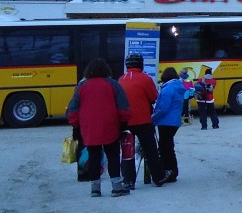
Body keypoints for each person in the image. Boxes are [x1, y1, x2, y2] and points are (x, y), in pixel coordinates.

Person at [66, 58, 131, 197]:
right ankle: (116, 187)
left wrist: (76, 126)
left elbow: (73, 109)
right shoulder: (113, 84)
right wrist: (123, 122)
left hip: (89, 127)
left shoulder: (82, 86)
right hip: (110, 125)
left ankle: (95, 189)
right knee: (113, 155)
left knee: (94, 156)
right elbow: (123, 106)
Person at [120, 54, 170, 188]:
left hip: (125, 122)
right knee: (150, 150)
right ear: (141, 64)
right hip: (143, 120)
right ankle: (158, 177)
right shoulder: (145, 78)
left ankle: (128, 180)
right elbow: (154, 97)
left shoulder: (121, 79)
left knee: (127, 152)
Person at [152, 67, 186, 183]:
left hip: (166, 121)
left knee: (164, 147)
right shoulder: (177, 87)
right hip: (174, 120)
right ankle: (172, 171)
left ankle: (168, 170)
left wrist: (153, 118)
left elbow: (163, 108)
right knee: (168, 146)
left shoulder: (168, 89)